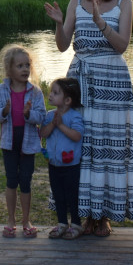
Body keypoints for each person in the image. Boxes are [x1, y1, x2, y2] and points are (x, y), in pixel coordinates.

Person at [43, 0, 133, 236]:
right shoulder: (76, 2)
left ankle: (105, 216)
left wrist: (101, 23)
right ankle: (84, 214)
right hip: (80, 77)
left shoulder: (125, 2)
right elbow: (62, 46)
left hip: (112, 78)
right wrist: (60, 23)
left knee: (107, 147)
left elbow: (123, 46)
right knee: (84, 146)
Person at [0, 44, 45, 238]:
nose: (25, 69)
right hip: (9, 142)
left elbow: (42, 117)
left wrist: (30, 114)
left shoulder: (36, 92)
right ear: (9, 69)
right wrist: (4, 111)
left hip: (28, 143)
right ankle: (11, 220)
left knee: (26, 181)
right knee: (11, 180)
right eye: (20, 66)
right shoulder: (2, 89)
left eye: (27, 65)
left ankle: (26, 221)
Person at [40, 77, 86, 240]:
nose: (50, 95)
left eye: (55, 93)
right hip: (54, 164)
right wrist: (53, 124)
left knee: (72, 195)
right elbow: (43, 134)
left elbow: (77, 136)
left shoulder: (74, 117)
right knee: (58, 194)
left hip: (71, 165)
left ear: (67, 100)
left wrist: (60, 125)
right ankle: (61, 223)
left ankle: (76, 224)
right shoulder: (50, 115)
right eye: (51, 92)